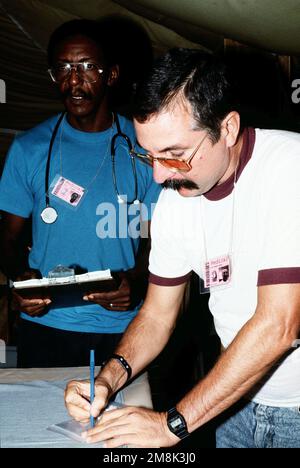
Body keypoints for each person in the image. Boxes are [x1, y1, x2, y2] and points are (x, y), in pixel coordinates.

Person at [64, 48, 300, 448]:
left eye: (174, 156)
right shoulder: (176, 199)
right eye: (148, 155)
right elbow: (157, 315)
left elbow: (279, 326)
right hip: (234, 399)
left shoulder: (289, 168)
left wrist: (170, 424)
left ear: (227, 128)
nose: (158, 175)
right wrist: (109, 377)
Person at [0, 19, 161, 368]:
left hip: (125, 328)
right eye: (63, 68)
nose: (74, 80)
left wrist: (136, 280)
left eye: (88, 67)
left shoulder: (146, 147)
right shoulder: (29, 149)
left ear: (112, 75)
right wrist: (20, 279)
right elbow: (7, 238)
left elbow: (156, 237)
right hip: (46, 326)